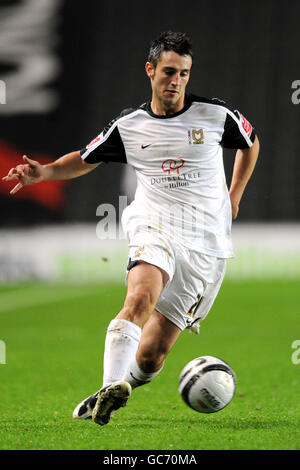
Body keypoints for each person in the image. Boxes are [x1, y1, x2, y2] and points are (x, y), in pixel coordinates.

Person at [2, 31, 260, 426]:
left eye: (184, 73)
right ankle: (109, 384)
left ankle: (118, 385)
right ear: (151, 70)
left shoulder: (215, 115)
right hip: (154, 224)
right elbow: (86, 158)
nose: (176, 81)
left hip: (206, 243)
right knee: (139, 297)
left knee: (151, 355)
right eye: (169, 71)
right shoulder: (130, 125)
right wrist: (46, 172)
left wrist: (235, 194)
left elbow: (251, 142)